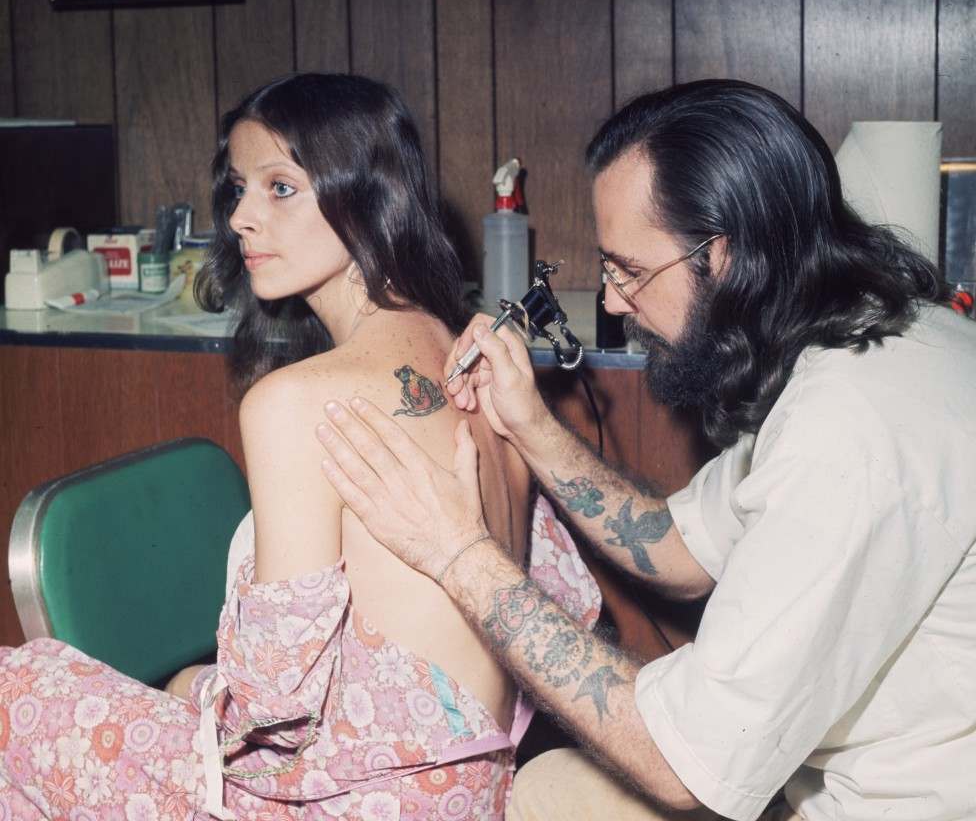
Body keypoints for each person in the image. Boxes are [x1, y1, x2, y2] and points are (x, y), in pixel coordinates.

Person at [313, 79, 976, 821]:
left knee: (543, 795)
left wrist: (457, 553)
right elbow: (681, 550)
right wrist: (534, 429)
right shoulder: (878, 334)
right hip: (877, 772)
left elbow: (681, 766)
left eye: (628, 270)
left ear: (721, 255)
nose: (614, 301)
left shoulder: (856, 429)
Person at [0, 73, 600, 820]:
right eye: (238, 189)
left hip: (345, 803)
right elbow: (556, 608)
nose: (242, 219)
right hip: (472, 792)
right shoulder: (482, 364)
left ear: (367, 196)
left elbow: (271, 707)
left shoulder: (294, 401)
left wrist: (193, 689)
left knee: (14, 690)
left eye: (280, 188)